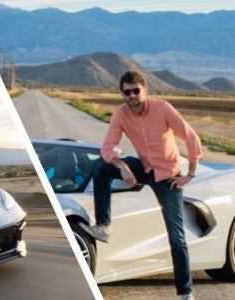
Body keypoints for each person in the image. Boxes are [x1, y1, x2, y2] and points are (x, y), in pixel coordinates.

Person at [79, 71, 202, 299]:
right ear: (122, 94)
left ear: (145, 90)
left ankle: (186, 293)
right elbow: (107, 148)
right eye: (127, 92)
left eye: (136, 90)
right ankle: (104, 225)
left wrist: (190, 174)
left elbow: (191, 137)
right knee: (100, 167)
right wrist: (123, 167)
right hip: (144, 168)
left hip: (168, 177)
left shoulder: (163, 108)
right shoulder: (121, 114)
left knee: (177, 238)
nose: (132, 95)